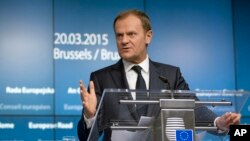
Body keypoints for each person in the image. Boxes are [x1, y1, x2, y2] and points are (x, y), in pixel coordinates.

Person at [77, 9, 241, 141]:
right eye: (119, 35)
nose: (124, 40)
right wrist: (90, 116)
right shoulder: (101, 78)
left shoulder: (171, 75)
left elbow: (193, 108)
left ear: (148, 36)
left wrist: (218, 122)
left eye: (131, 34)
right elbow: (86, 137)